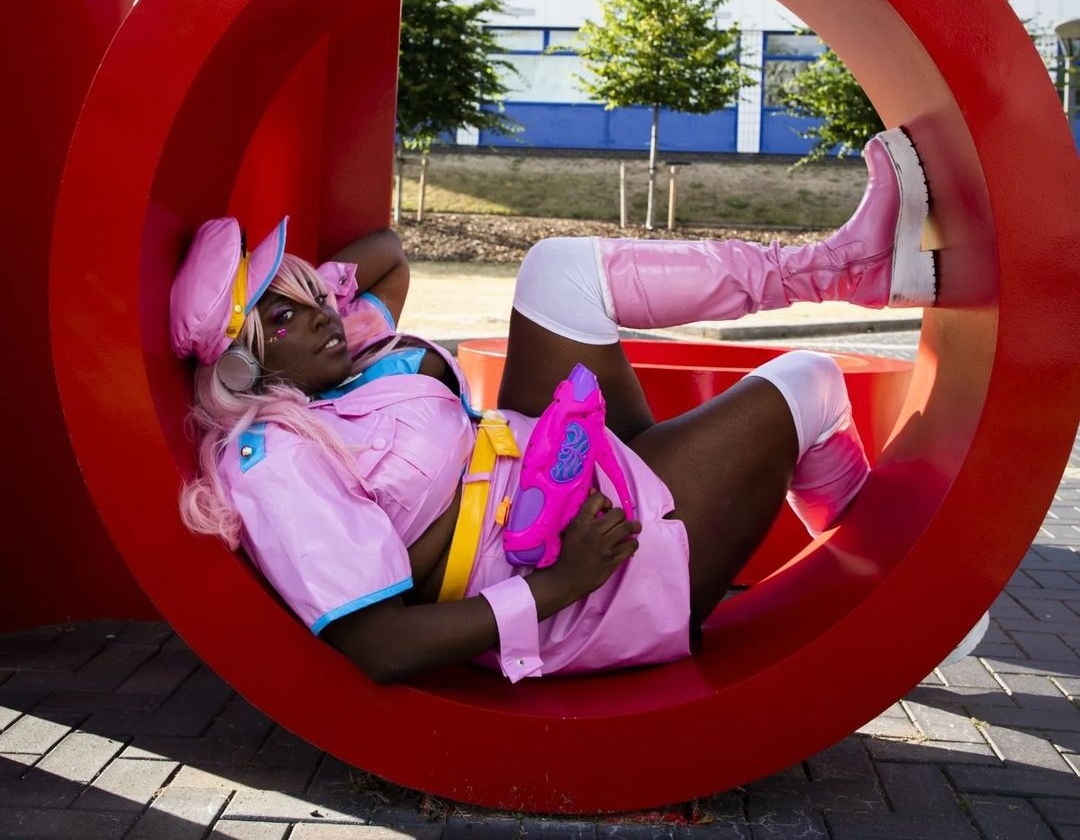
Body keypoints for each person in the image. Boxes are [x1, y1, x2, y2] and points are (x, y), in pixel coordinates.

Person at [170, 128, 935, 684]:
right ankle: (897, 590)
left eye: (306, 299)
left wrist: (299, 293)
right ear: (246, 371)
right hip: (583, 576)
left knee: (554, 270)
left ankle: (842, 268)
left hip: (554, 454)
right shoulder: (276, 461)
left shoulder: (332, 367)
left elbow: (389, 254)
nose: (318, 316)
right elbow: (379, 645)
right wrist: (560, 583)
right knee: (811, 380)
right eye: (281, 320)